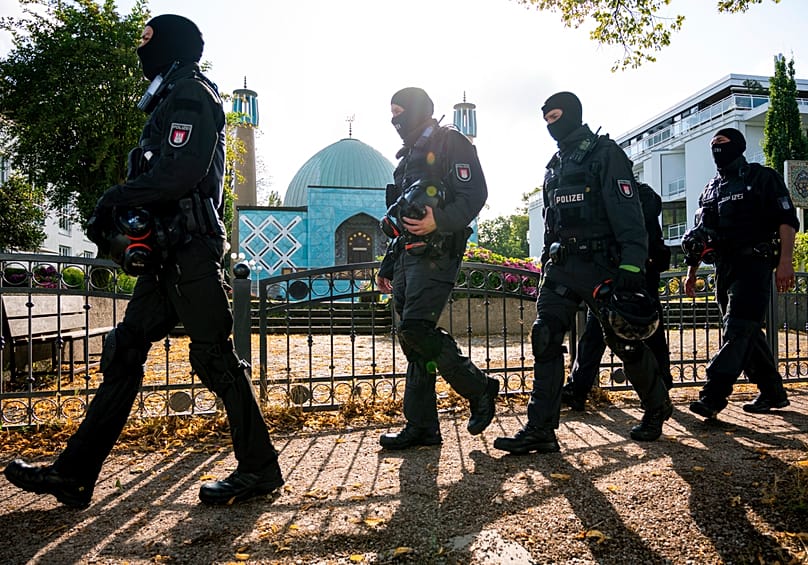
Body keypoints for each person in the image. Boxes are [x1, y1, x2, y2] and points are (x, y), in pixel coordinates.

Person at [3, 14, 283, 507]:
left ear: (169, 46)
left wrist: (114, 197)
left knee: (214, 357)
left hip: (191, 248)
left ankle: (260, 469)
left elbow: (181, 173)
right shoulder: (171, 94)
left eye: (147, 41)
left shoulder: (192, 94)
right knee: (125, 350)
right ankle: (74, 475)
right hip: (169, 253)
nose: (139, 50)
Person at [494, 91, 673, 455]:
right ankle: (541, 428)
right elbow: (550, 222)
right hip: (562, 267)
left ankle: (657, 407)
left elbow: (629, 214)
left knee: (623, 340)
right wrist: (546, 263)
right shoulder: (555, 166)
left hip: (601, 266)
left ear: (573, 114)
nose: (551, 125)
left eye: (556, 116)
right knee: (544, 337)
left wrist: (631, 265)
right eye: (545, 119)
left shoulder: (605, 155)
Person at [375, 86, 498, 450]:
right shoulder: (406, 156)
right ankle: (423, 426)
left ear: (417, 110)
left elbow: (475, 195)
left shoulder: (451, 142)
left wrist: (438, 221)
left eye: (400, 111)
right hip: (407, 255)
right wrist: (388, 262)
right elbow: (401, 216)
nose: (395, 119)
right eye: (391, 113)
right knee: (412, 341)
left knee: (416, 329)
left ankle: (479, 387)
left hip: (438, 251)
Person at [685, 127, 798, 420]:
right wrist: (691, 271)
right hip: (725, 267)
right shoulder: (711, 188)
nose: (716, 147)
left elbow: (787, 220)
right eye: (713, 144)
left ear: (737, 145)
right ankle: (773, 392)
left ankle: (713, 395)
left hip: (755, 264)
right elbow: (700, 234)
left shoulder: (763, 177)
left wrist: (786, 261)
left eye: (722, 142)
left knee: (736, 330)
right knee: (746, 332)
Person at [561, 180, 673, 411]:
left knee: (649, 332)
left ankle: (660, 388)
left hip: (639, 273)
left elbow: (642, 223)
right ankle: (578, 388)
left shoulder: (641, 194)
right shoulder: (606, 193)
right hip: (613, 272)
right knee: (594, 332)